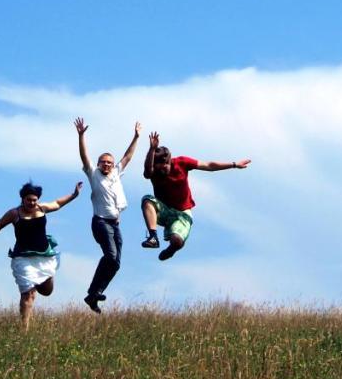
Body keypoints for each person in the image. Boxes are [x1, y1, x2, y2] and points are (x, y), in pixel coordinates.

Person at [0, 180, 82, 329]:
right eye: (28, 200)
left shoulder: (42, 208)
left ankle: (41, 280)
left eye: (34, 200)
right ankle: (24, 329)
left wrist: (74, 194)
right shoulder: (15, 213)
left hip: (44, 257)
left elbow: (57, 203)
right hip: (23, 258)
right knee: (27, 294)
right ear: (22, 199)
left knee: (46, 291)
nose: (31, 203)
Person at [140, 133, 251, 261]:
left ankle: (172, 249)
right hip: (164, 209)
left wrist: (234, 164)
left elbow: (208, 165)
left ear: (169, 161)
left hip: (182, 214)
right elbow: (148, 171)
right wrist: (152, 149)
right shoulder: (154, 172)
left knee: (177, 241)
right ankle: (153, 237)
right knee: (147, 200)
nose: (163, 169)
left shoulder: (182, 162)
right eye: (160, 167)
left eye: (165, 165)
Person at [74, 117, 141, 313]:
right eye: (103, 162)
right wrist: (81, 136)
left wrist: (136, 137)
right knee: (110, 256)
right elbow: (84, 156)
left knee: (116, 263)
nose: (107, 165)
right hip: (100, 222)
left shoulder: (115, 173)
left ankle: (93, 295)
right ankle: (93, 292)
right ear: (98, 164)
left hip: (115, 224)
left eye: (109, 162)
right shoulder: (93, 174)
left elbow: (127, 157)